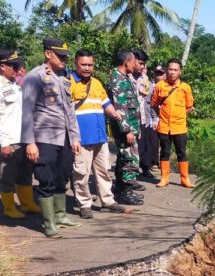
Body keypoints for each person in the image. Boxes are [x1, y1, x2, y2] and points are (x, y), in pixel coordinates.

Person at [21, 38, 83, 238]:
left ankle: (61, 215)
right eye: (61, 56)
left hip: (64, 138)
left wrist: (74, 137)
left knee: (62, 176)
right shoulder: (34, 77)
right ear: (48, 54)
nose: (65, 59)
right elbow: (27, 112)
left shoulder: (65, 78)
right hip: (44, 137)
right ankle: (49, 224)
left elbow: (70, 111)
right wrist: (29, 142)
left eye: (66, 56)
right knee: (46, 179)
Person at [0, 50, 41, 219]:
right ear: (2, 66)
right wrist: (3, 141)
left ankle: (27, 203)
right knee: (7, 175)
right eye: (13, 65)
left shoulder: (15, 85)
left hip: (24, 138)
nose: (17, 69)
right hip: (9, 140)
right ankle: (9, 207)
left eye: (18, 65)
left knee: (25, 173)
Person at [69, 49, 126, 219]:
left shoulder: (96, 83)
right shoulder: (68, 82)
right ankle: (84, 205)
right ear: (76, 64)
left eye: (90, 65)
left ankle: (107, 201)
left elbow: (105, 103)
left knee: (103, 171)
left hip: (100, 136)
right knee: (81, 172)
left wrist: (114, 113)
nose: (87, 68)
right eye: (83, 64)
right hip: (81, 138)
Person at [107, 50, 145, 205]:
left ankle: (121, 189)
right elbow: (119, 108)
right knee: (130, 159)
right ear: (127, 62)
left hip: (131, 127)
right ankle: (126, 193)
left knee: (124, 158)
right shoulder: (116, 80)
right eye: (134, 60)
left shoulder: (124, 77)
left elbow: (131, 105)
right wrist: (128, 130)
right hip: (125, 129)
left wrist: (136, 129)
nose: (135, 64)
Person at [152, 58, 195, 188]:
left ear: (180, 72)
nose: (172, 72)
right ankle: (164, 178)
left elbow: (189, 107)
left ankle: (185, 179)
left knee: (181, 153)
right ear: (167, 70)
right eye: (170, 69)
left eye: (175, 70)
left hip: (180, 127)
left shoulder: (185, 88)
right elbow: (154, 104)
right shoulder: (160, 86)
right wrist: (161, 116)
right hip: (164, 126)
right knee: (165, 152)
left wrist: (180, 116)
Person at [134, 62, 160, 177]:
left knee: (146, 146)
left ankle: (146, 168)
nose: (143, 69)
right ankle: (133, 170)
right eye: (141, 66)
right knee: (135, 147)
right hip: (134, 120)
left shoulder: (149, 85)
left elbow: (152, 104)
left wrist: (154, 119)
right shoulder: (130, 81)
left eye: (145, 67)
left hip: (147, 119)